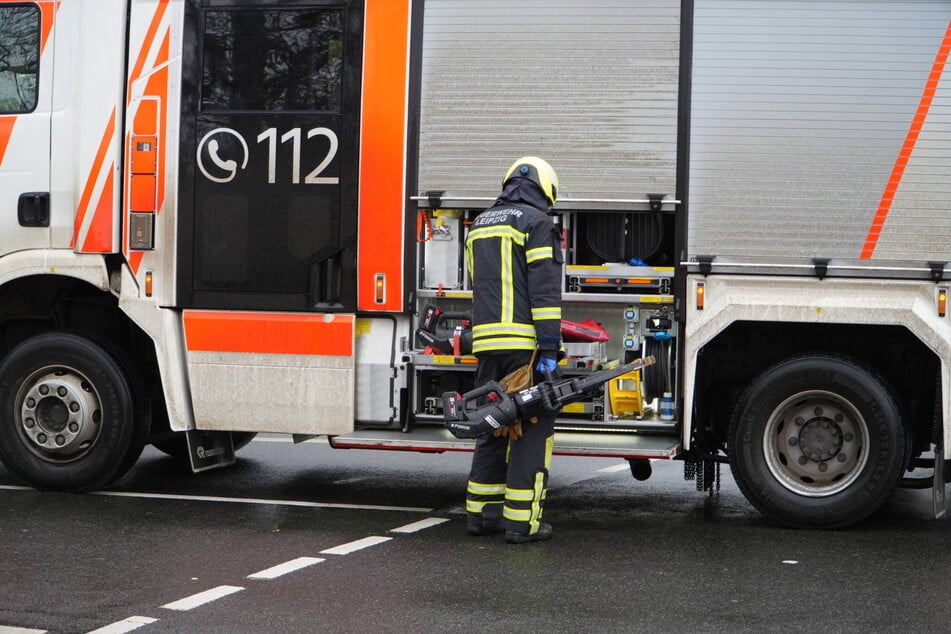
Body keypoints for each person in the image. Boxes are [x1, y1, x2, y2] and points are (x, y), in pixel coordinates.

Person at [464, 156, 563, 544]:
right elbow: (544, 293)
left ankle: (481, 515)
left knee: (493, 426)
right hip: (525, 347)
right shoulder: (537, 224)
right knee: (530, 431)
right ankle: (523, 523)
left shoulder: (477, 226)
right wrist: (550, 346)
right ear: (544, 189)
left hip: (487, 346)